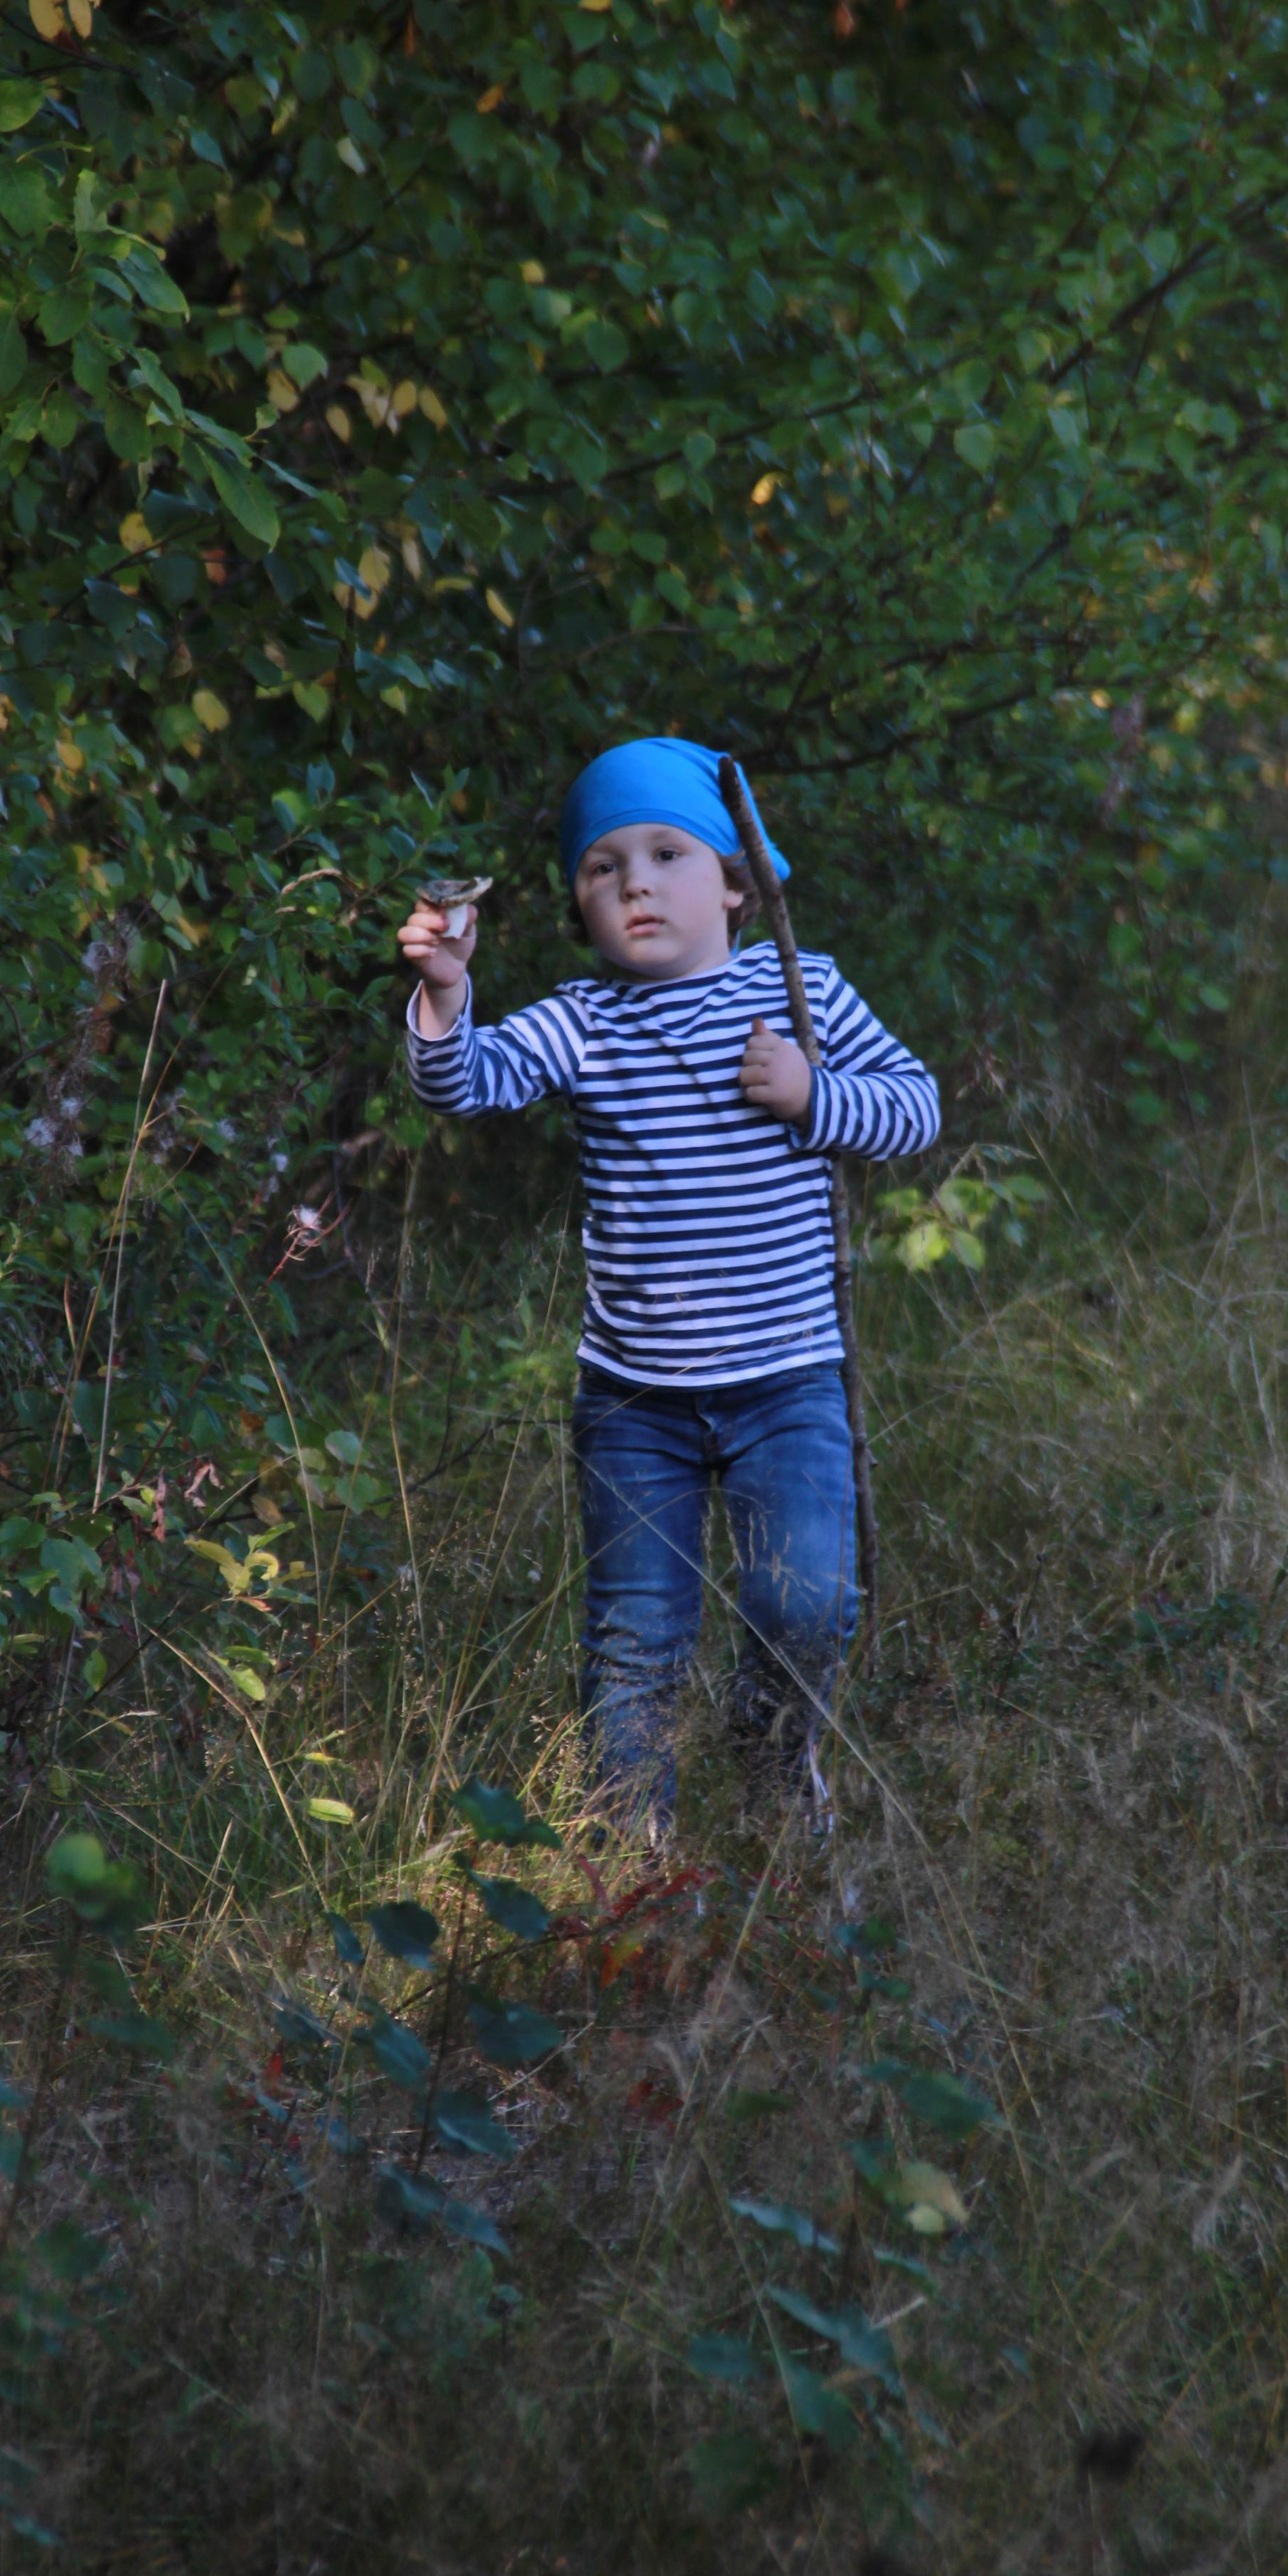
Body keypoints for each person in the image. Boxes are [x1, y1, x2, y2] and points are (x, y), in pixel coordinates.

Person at [398, 738, 940, 1834]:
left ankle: (772, 1757)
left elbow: (916, 1108)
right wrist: (446, 996)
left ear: (738, 884)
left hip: (789, 1380)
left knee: (810, 1601)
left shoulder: (799, 991)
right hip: (635, 1400)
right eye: (603, 868)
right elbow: (466, 1085)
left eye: (666, 854)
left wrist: (813, 1095)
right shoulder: (584, 1020)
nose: (635, 884)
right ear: (582, 905)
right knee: (634, 1636)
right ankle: (628, 1861)